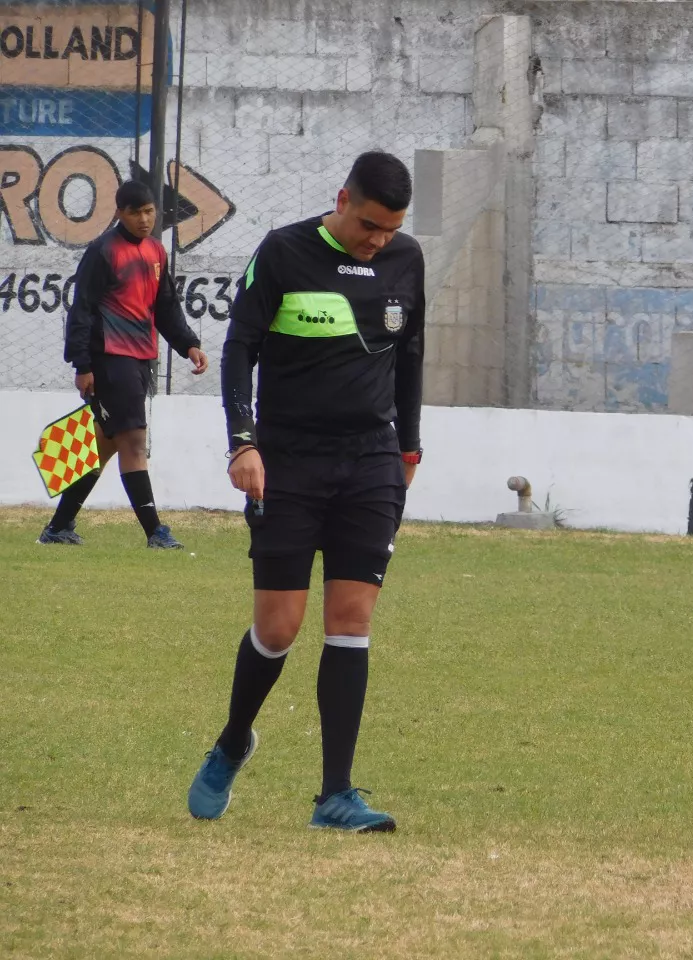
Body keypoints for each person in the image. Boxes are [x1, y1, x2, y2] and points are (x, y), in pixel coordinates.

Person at [186, 151, 425, 832]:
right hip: (287, 463)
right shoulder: (285, 251)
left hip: (370, 462)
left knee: (351, 621)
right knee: (279, 627)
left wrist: (408, 448)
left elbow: (411, 357)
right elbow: (240, 348)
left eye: (391, 228)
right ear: (343, 198)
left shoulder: (406, 260)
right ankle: (234, 740)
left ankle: (335, 797)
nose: (380, 240)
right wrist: (243, 441)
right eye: (371, 225)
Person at [39, 180, 208, 548]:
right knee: (134, 440)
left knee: (105, 444)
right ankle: (155, 532)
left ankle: (58, 526)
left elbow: (165, 308)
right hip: (110, 358)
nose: (145, 219)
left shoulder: (156, 252)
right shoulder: (103, 252)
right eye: (136, 213)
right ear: (120, 213)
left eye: (150, 212)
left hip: (139, 359)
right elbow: (81, 309)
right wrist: (82, 365)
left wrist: (188, 344)